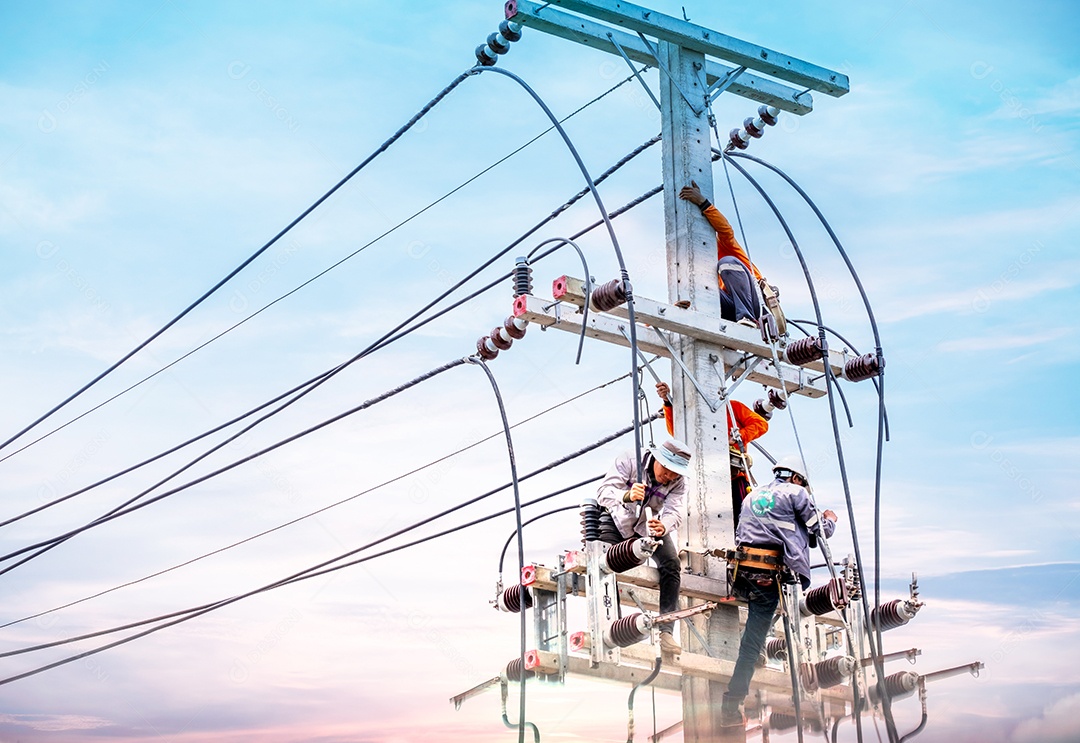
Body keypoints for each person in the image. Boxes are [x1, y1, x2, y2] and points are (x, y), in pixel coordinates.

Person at [720, 455, 838, 726]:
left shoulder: (755, 493)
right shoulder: (796, 492)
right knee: (752, 643)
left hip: (743, 574)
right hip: (770, 576)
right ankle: (731, 705)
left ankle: (761, 648)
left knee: (757, 630)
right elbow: (819, 532)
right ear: (797, 478)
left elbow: (780, 526)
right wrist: (830, 519)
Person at [595, 438, 692, 656]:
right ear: (657, 459)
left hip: (649, 526)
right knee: (607, 566)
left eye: (674, 474)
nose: (668, 477)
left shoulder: (679, 482)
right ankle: (613, 627)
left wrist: (663, 526)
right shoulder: (630, 459)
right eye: (666, 471)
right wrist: (626, 495)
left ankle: (666, 631)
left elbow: (675, 512)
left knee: (671, 564)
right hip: (617, 519)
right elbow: (603, 491)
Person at [655, 381, 767, 524]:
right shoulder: (693, 414)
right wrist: (667, 402)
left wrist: (739, 435)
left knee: (743, 521)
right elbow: (677, 432)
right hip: (706, 479)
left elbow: (761, 424)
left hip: (735, 477)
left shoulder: (732, 408)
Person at [679, 181, 774, 329]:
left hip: (756, 304)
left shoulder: (724, 245)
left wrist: (702, 202)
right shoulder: (699, 266)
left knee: (727, 262)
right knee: (700, 289)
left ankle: (746, 318)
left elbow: (725, 230)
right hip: (730, 308)